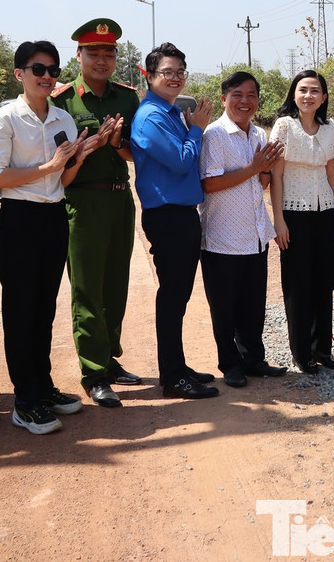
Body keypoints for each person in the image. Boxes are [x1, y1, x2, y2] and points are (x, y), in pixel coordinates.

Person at [0, 40, 101, 435]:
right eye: (38, 69)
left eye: (53, 70)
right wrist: (48, 164)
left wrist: (77, 158)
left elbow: (62, 180)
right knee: (20, 311)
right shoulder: (3, 119)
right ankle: (25, 401)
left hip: (54, 216)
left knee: (44, 307)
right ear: (20, 74)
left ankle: (43, 387)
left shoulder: (64, 120)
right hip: (19, 219)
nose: (47, 77)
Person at [51, 18, 137, 408]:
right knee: (87, 289)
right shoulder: (62, 100)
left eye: (108, 53)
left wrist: (116, 143)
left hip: (120, 200)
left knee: (115, 284)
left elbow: (135, 153)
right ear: (79, 56)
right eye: (93, 53)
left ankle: (110, 357)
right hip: (82, 203)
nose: (102, 60)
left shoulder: (127, 98)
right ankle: (93, 371)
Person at [131, 43, 219, 400]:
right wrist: (197, 128)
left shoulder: (168, 111)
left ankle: (178, 366)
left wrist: (190, 127)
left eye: (180, 71)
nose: (176, 78)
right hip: (167, 215)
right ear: (148, 76)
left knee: (179, 296)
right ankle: (171, 376)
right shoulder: (151, 116)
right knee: (172, 297)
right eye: (167, 72)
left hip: (181, 214)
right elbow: (182, 161)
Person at [199, 71, 287, 387]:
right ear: (224, 99)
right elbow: (209, 184)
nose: (244, 101)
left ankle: (253, 359)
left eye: (251, 95)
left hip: (254, 236)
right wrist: (254, 168)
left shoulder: (259, 135)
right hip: (222, 238)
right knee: (224, 309)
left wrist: (265, 170)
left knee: (253, 305)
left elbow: (261, 182)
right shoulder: (214, 135)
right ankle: (230, 364)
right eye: (237, 94)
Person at [270, 70, 334, 373]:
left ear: (323, 97)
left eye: (315, 91)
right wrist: (279, 221)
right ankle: (301, 354)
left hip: (325, 212)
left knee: (322, 282)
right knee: (298, 284)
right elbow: (275, 175)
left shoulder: (330, 129)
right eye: (303, 90)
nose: (308, 95)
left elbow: (331, 172)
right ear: (294, 94)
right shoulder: (284, 126)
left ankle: (321, 349)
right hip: (294, 214)